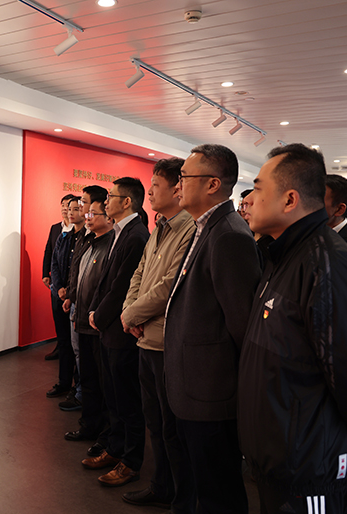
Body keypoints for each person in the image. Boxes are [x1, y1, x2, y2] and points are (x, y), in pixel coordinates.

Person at [239, 144, 347, 514]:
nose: (248, 201)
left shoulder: (326, 262)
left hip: (309, 460)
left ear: (290, 199)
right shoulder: (281, 254)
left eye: (258, 189)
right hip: (279, 453)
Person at [164, 144, 260, 514]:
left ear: (213, 184)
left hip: (212, 392)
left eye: (184, 177)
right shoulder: (206, 227)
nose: (177, 185)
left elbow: (241, 324)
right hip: (193, 386)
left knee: (219, 493)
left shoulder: (230, 235)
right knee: (204, 483)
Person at [120, 158, 196, 510]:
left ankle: (181, 496)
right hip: (145, 339)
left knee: (172, 429)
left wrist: (132, 314)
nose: (149, 193)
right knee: (155, 423)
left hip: (167, 344)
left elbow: (169, 286)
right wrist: (129, 311)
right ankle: (161, 486)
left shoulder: (190, 229)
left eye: (155, 187)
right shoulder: (160, 227)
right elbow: (140, 273)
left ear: (177, 189)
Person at [83, 177, 149, 487]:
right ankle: (115, 449)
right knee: (113, 397)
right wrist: (96, 311)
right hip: (109, 328)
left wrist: (99, 314)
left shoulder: (136, 235)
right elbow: (106, 281)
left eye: (111, 196)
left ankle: (131, 462)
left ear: (127, 202)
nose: (105, 201)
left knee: (127, 401)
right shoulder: (121, 232)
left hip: (122, 330)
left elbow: (122, 286)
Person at [64, 196, 114, 455]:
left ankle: (104, 434)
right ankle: (88, 425)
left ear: (108, 217)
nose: (88, 217)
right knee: (88, 379)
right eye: (87, 213)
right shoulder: (89, 242)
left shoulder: (111, 246)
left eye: (93, 213)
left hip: (97, 326)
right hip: (82, 321)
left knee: (103, 384)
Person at [60, 185, 108, 412]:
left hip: (93, 313)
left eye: (85, 203)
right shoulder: (84, 237)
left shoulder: (108, 241)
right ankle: (82, 397)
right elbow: (76, 270)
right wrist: (70, 294)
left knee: (92, 365)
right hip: (78, 305)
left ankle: (86, 401)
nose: (80, 208)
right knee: (79, 354)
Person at [47, 196, 86, 399]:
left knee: (78, 347)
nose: (71, 212)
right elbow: (54, 262)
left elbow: (80, 271)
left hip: (76, 299)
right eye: (69, 209)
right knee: (63, 342)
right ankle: (63, 382)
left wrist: (69, 292)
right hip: (60, 296)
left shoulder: (87, 238)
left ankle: (78, 388)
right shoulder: (64, 237)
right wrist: (59, 288)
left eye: (76, 209)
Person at [42, 194, 76, 360]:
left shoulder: (79, 231)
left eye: (68, 206)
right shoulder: (56, 228)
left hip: (71, 285)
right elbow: (49, 251)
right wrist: (45, 273)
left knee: (70, 322)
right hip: (56, 283)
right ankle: (60, 349)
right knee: (58, 319)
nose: (65, 209)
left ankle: (71, 355)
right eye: (63, 205)